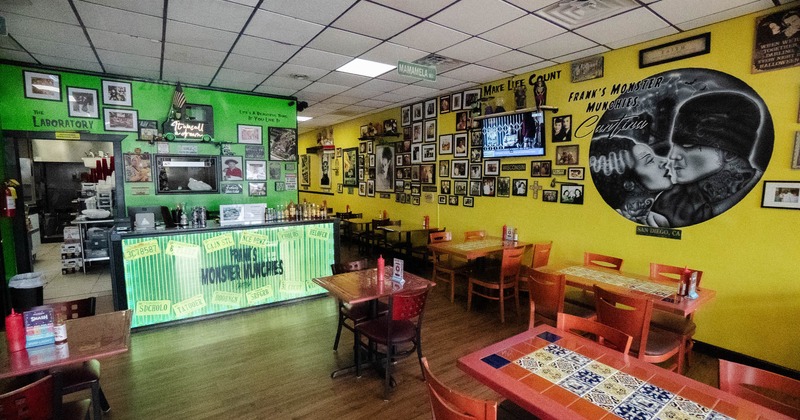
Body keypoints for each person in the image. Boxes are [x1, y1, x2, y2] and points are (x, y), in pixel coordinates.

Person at [653, 92, 765, 227]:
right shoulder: (670, 201)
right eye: (674, 146)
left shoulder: (758, 193)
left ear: (729, 152)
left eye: (688, 145)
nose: (672, 156)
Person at [590, 135, 672, 227]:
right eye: (649, 160)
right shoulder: (614, 225)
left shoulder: (658, 221)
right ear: (628, 185)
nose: (664, 161)